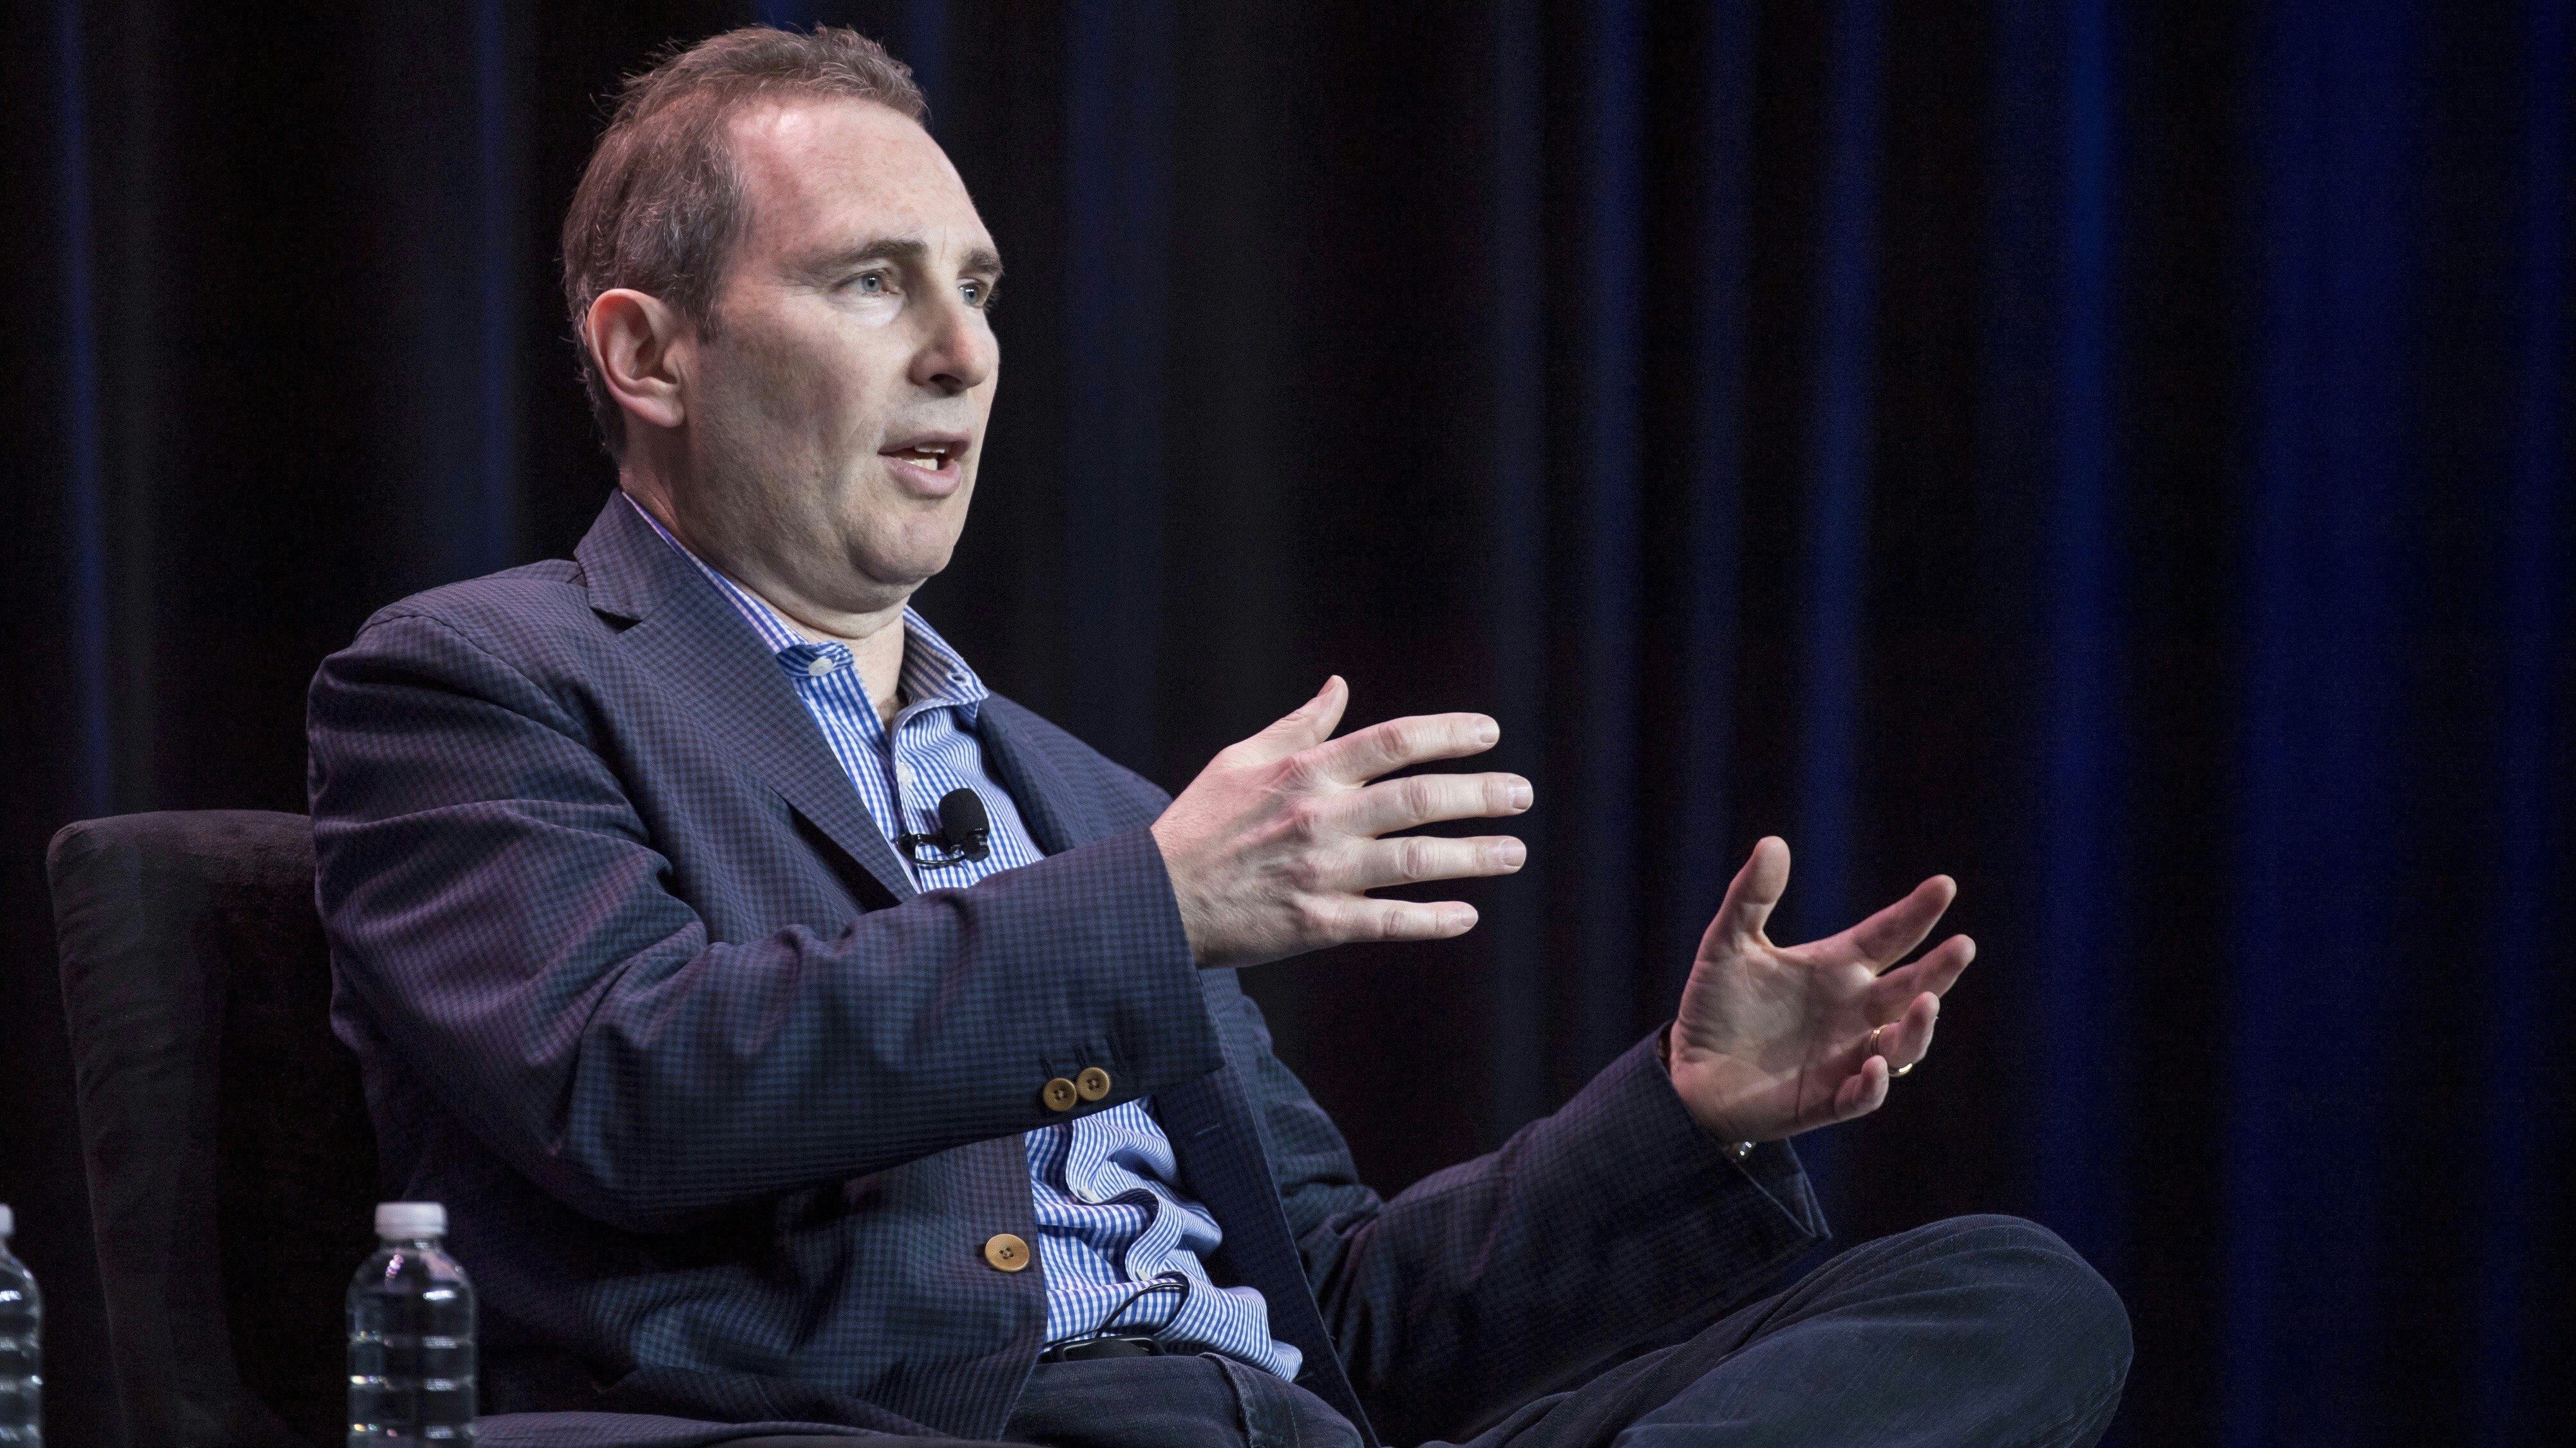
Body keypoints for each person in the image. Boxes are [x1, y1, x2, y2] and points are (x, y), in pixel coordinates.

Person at [307, 24, 2129, 1448]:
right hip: (868, 1425)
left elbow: (1352, 1316)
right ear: (650, 353)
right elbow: (631, 1082)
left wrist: (1681, 1114)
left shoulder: (1072, 795)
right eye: (875, 281)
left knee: (2011, 1296)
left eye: (982, 286)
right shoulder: (483, 680)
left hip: (1265, 1423)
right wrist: (1151, 911)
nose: (965, 351)